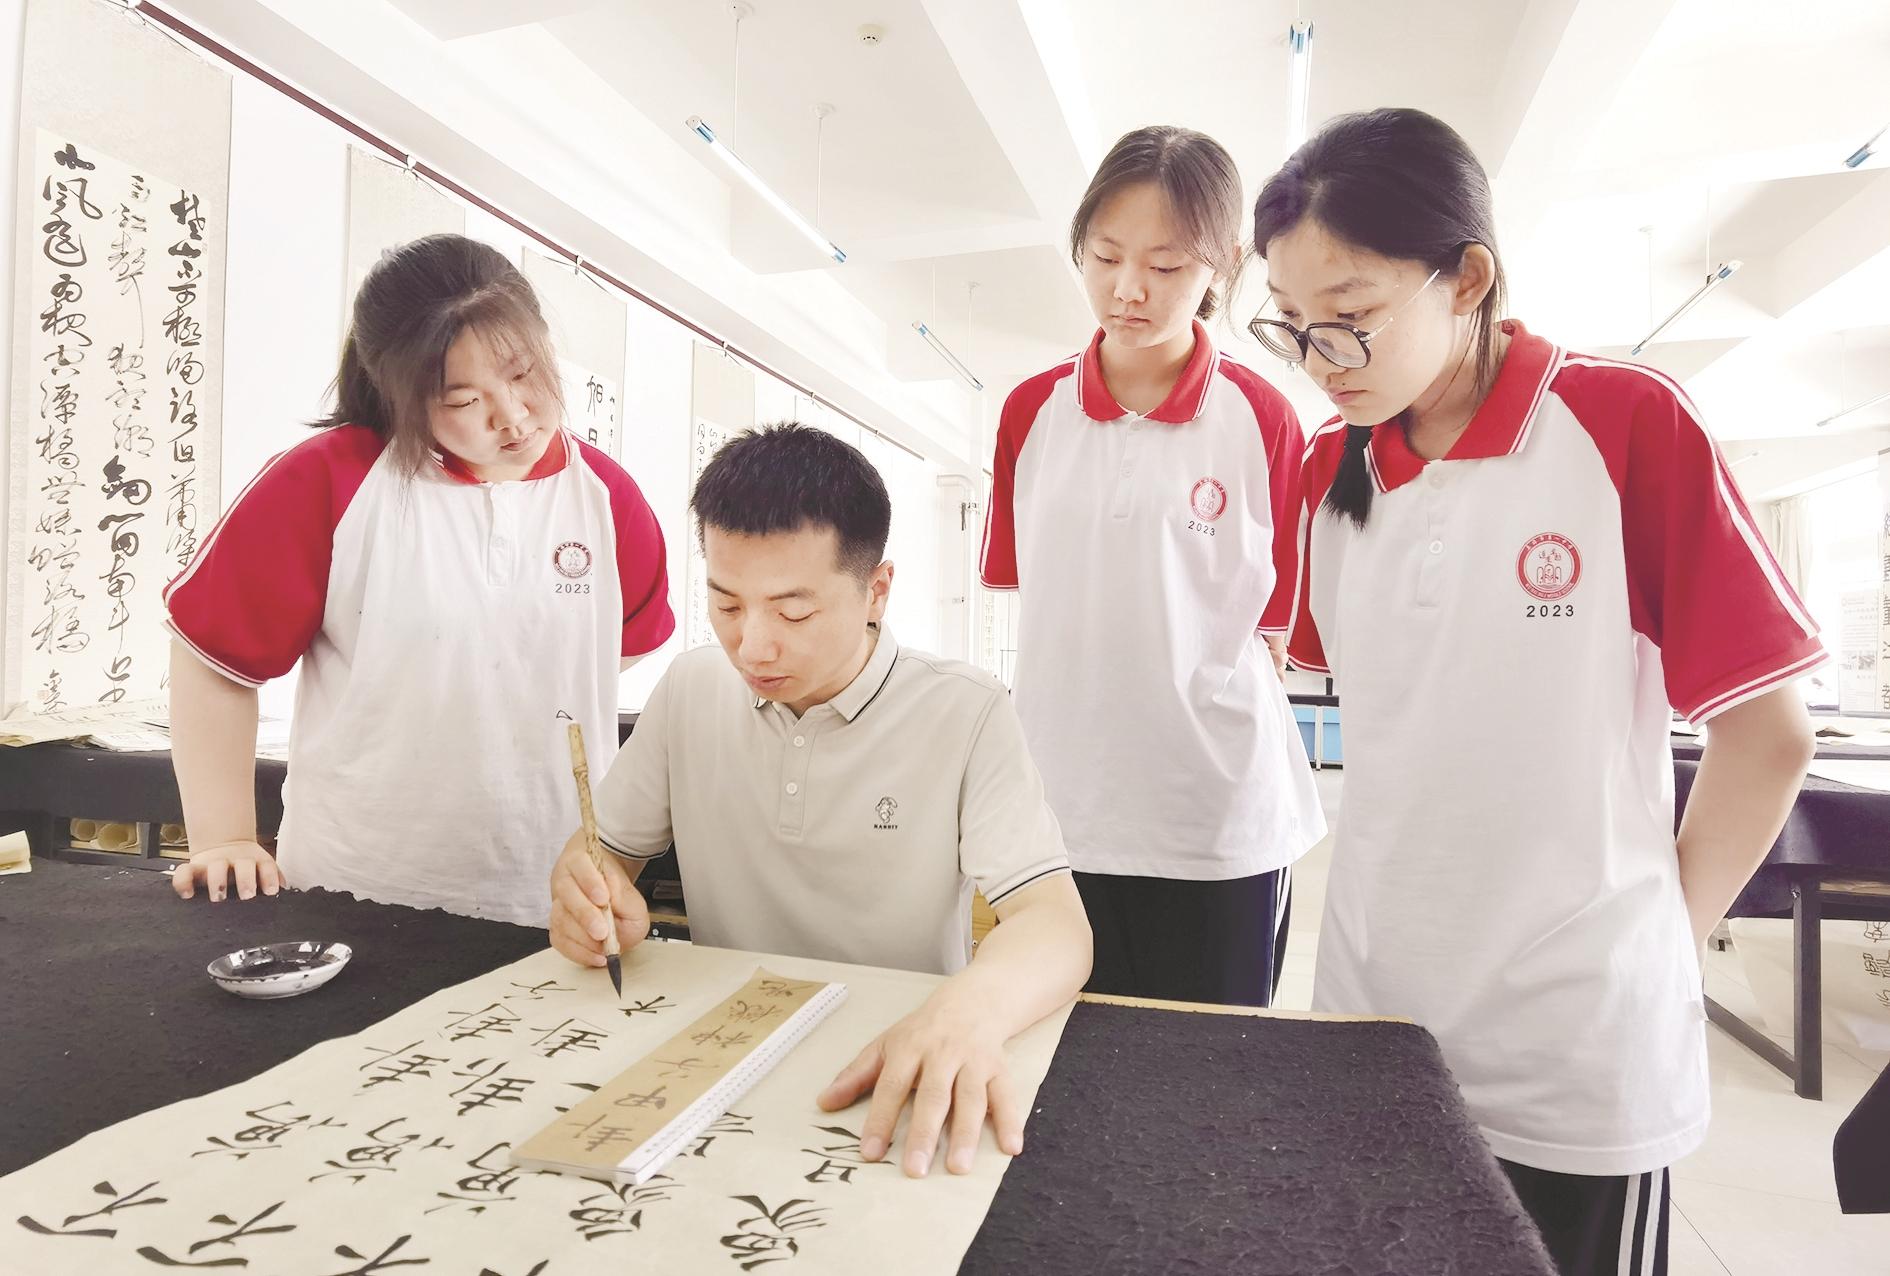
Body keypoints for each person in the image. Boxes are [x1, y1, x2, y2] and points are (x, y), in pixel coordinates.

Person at [1254, 107, 1820, 1275]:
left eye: (1350, 316)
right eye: (1294, 325)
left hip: (1573, 1049)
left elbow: (1768, 735)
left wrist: (1659, 940)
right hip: (1372, 1009)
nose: (1319, 360)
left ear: (1466, 279)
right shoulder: (1322, 467)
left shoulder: (1622, 423)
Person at [549, 423, 1092, 1179]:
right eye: (726, 606)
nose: (753, 647)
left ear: (876, 591)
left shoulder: (964, 710)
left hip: (897, 1057)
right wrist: (587, 892)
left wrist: (968, 1012)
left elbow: (1055, 925)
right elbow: (605, 853)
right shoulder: (692, 688)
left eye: (793, 612)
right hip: (719, 1057)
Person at [165, 234, 672, 923]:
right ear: (398, 392)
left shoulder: (607, 498)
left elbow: (619, 647)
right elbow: (213, 658)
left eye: (523, 372)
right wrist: (223, 836)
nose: (512, 415)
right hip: (355, 889)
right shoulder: (330, 480)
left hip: (552, 894)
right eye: (462, 400)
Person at [979, 125, 1324, 1006]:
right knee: (1058, 1059)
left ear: (1224, 264)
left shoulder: (1263, 419)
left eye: (1166, 266)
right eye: (1104, 257)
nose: (1127, 289)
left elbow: (1271, 633)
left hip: (1215, 823)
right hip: (1060, 814)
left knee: (1210, 1064)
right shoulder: (1031, 412)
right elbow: (1039, 606)